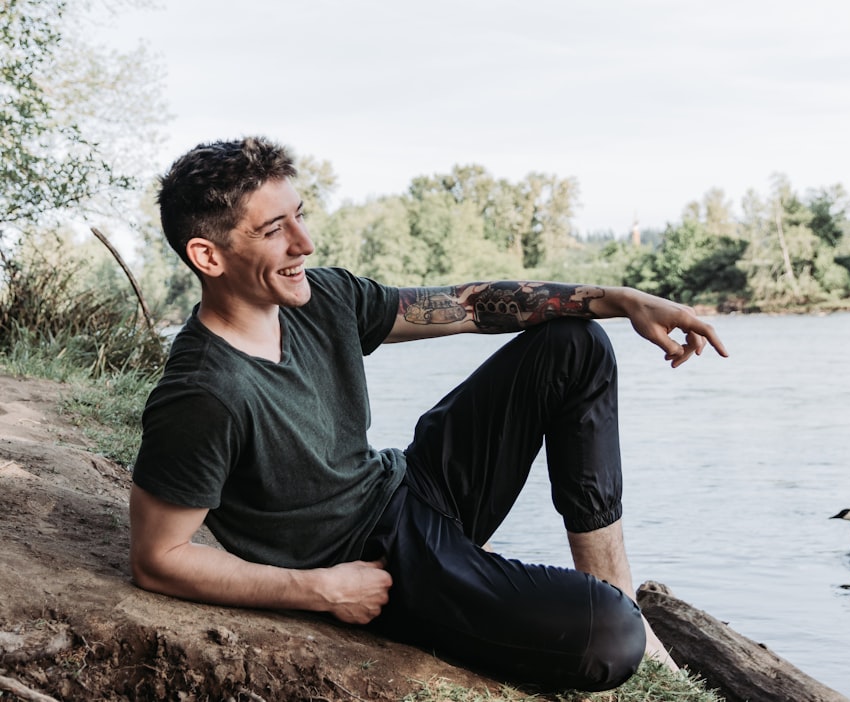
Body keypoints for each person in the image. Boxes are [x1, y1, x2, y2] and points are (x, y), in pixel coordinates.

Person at [129, 136, 728, 692]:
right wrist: (319, 590)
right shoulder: (203, 392)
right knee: (609, 640)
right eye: (274, 230)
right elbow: (158, 559)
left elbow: (467, 305)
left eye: (301, 216)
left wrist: (620, 300)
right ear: (209, 256)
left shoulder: (323, 297)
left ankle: (615, 586)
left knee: (575, 343)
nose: (304, 244)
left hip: (413, 484)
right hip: (381, 562)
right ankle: (611, 615)